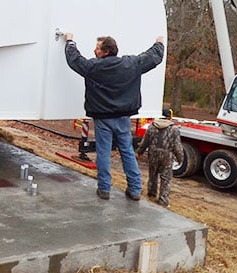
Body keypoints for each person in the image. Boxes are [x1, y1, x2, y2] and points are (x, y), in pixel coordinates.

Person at [64, 33, 164, 201]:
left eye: (97, 48)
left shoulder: (93, 67)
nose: (94, 51)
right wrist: (159, 43)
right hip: (123, 118)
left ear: (106, 51)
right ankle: (135, 190)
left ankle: (104, 190)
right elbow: (153, 57)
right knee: (127, 152)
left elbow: (75, 60)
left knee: (103, 153)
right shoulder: (131, 64)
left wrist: (69, 42)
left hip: (103, 118)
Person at [136, 108, 183, 207]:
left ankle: (151, 194)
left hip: (153, 154)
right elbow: (177, 146)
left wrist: (140, 152)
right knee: (166, 178)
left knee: (153, 175)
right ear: (170, 117)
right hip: (167, 156)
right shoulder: (174, 129)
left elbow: (145, 141)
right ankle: (163, 200)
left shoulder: (152, 127)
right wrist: (180, 158)